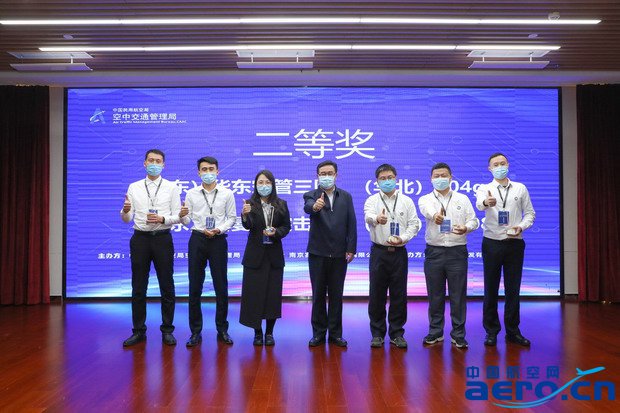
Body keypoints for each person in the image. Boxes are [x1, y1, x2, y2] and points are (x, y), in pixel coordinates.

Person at [120, 149, 183, 347]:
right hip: (140, 239)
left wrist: (163, 219)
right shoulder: (134, 186)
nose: (154, 164)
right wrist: (125, 211)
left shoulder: (172, 187)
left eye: (158, 161)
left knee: (167, 285)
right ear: (144, 163)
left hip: (162, 239)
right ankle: (138, 330)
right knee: (139, 286)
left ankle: (167, 330)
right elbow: (127, 219)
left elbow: (178, 216)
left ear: (164, 165)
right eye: (151, 160)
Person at [476, 153, 535, 347]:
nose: (499, 167)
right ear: (489, 169)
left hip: (515, 243)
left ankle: (513, 331)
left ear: (508, 165)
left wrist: (521, 226)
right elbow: (479, 205)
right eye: (495, 164)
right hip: (492, 242)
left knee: (513, 289)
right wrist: (487, 203)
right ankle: (491, 331)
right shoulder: (484, 188)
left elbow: (530, 214)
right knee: (490, 288)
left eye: (502, 163)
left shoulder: (520, 188)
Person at [418, 162, 479, 349]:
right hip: (434, 252)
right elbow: (427, 211)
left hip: (457, 251)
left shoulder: (462, 199)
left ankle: (458, 334)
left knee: (457, 295)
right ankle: (435, 331)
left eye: (443, 175)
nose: (440, 179)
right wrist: (435, 216)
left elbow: (474, 221)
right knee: (435, 295)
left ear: (451, 177)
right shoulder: (425, 199)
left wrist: (466, 228)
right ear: (431, 179)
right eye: (436, 176)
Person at [364, 164, 421, 349]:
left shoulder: (407, 201)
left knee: (399, 294)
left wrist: (403, 238)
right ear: (377, 182)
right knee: (377, 294)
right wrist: (376, 219)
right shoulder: (372, 200)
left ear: (396, 178)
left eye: (390, 177)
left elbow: (414, 224)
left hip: (399, 253)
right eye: (383, 178)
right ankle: (377, 334)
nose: (387, 181)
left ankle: (397, 333)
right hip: (379, 252)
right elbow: (368, 216)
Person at [181, 156, 237, 347]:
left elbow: (231, 218)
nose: (208, 173)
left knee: (221, 285)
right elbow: (186, 220)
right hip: (197, 239)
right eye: (204, 169)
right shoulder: (191, 193)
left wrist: (219, 229)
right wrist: (182, 216)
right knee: (195, 286)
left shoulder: (227, 193)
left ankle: (222, 329)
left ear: (217, 171)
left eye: (211, 169)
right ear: (198, 172)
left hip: (218, 240)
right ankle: (195, 331)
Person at [303, 160, 357, 347]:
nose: (326, 176)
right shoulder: (311, 195)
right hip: (318, 254)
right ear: (317, 176)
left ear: (336, 175)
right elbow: (308, 207)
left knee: (336, 295)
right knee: (318, 295)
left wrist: (351, 248)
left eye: (329, 173)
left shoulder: (346, 196)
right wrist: (315, 206)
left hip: (339, 254)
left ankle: (335, 334)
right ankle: (318, 333)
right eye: (322, 173)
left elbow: (351, 223)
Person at [239, 170, 291, 346]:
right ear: (255, 185)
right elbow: (248, 226)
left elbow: (286, 227)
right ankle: (257, 332)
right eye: (260, 182)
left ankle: (269, 333)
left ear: (273, 184)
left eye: (267, 182)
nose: (264, 186)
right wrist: (245, 215)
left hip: (274, 256)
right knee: (254, 296)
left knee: (272, 296)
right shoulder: (249, 204)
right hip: (255, 256)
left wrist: (276, 232)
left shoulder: (281, 204)